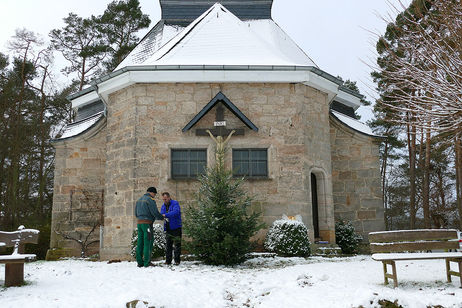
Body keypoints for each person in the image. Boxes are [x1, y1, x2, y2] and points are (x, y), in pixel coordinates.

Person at [135, 187, 163, 267]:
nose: (154, 196)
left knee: (140, 243)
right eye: (154, 194)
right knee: (148, 242)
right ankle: (147, 262)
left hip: (139, 224)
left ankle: (140, 262)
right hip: (147, 224)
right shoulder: (150, 200)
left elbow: (136, 213)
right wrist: (162, 217)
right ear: (151, 193)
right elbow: (154, 212)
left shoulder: (139, 200)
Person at [160, 192, 182, 265]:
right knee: (168, 245)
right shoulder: (163, 206)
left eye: (165, 199)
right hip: (168, 228)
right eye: (163, 199)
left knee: (177, 245)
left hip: (176, 227)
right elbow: (161, 213)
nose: (164, 200)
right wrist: (162, 215)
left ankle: (177, 261)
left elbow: (176, 212)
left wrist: (165, 215)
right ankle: (168, 261)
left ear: (169, 197)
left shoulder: (175, 203)